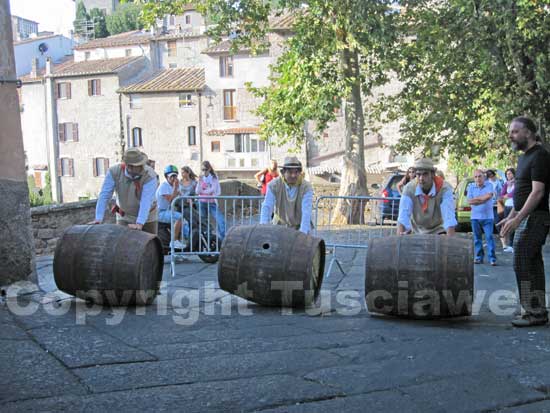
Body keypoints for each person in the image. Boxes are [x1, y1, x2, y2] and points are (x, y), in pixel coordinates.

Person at [499, 116, 550, 327]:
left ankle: (533, 313)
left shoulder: (540, 156)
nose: (511, 135)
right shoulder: (524, 157)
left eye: (514, 131)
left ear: (528, 132)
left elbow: (537, 193)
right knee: (531, 263)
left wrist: (518, 218)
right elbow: (522, 193)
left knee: (522, 260)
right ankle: (537, 311)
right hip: (527, 216)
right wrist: (510, 216)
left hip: (536, 218)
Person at [92, 148, 158, 234]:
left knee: (150, 243)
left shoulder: (150, 175)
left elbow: (146, 201)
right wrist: (98, 218)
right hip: (124, 216)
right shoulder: (114, 172)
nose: (142, 167)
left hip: (148, 216)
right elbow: (105, 195)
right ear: (129, 166)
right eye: (138, 165)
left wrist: (140, 223)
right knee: (121, 244)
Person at [397, 158, 456, 235]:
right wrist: (399, 242)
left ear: (432, 174)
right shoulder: (409, 189)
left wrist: (448, 243)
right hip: (417, 231)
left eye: (425, 174)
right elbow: (403, 217)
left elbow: (449, 218)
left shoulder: (444, 189)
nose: (421, 178)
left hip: (439, 232)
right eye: (418, 174)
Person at [260, 156, 313, 234]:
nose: (293, 175)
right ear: (283, 172)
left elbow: (306, 211)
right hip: (279, 226)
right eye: (290, 172)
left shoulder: (306, 187)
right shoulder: (274, 185)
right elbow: (267, 206)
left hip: (300, 227)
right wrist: (263, 229)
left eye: (296, 172)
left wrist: (302, 234)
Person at [467, 169, 496, 265]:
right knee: (477, 238)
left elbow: (488, 197)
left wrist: (478, 200)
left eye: (479, 176)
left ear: (483, 177)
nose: (478, 178)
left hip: (488, 217)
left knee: (489, 237)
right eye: (475, 177)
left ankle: (492, 258)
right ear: (473, 178)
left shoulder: (489, 185)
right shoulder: (470, 187)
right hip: (475, 217)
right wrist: (482, 199)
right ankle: (479, 257)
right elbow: (470, 201)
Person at [156, 165, 185, 249]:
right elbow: (171, 199)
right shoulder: (164, 186)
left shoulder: (173, 186)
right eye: (171, 176)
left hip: (167, 211)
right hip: (160, 212)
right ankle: (174, 242)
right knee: (179, 217)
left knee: (181, 226)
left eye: (175, 176)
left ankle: (177, 251)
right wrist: (176, 188)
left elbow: (180, 195)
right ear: (166, 177)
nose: (174, 178)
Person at [197, 161, 226, 240]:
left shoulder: (214, 178)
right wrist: (199, 182)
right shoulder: (201, 178)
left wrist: (204, 191)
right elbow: (197, 191)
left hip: (212, 202)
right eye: (202, 169)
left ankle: (223, 240)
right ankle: (207, 241)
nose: (204, 171)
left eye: (205, 169)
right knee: (203, 222)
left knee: (221, 221)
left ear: (209, 169)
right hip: (202, 202)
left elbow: (216, 190)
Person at [499, 168, 516, 252]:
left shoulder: (517, 182)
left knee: (513, 225)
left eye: (510, 173)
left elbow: (514, 193)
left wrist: (507, 195)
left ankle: (512, 244)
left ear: (513, 174)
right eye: (507, 174)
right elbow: (502, 194)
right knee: (506, 225)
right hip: (507, 206)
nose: (508, 175)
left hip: (514, 207)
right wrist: (506, 195)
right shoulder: (506, 183)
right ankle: (507, 245)